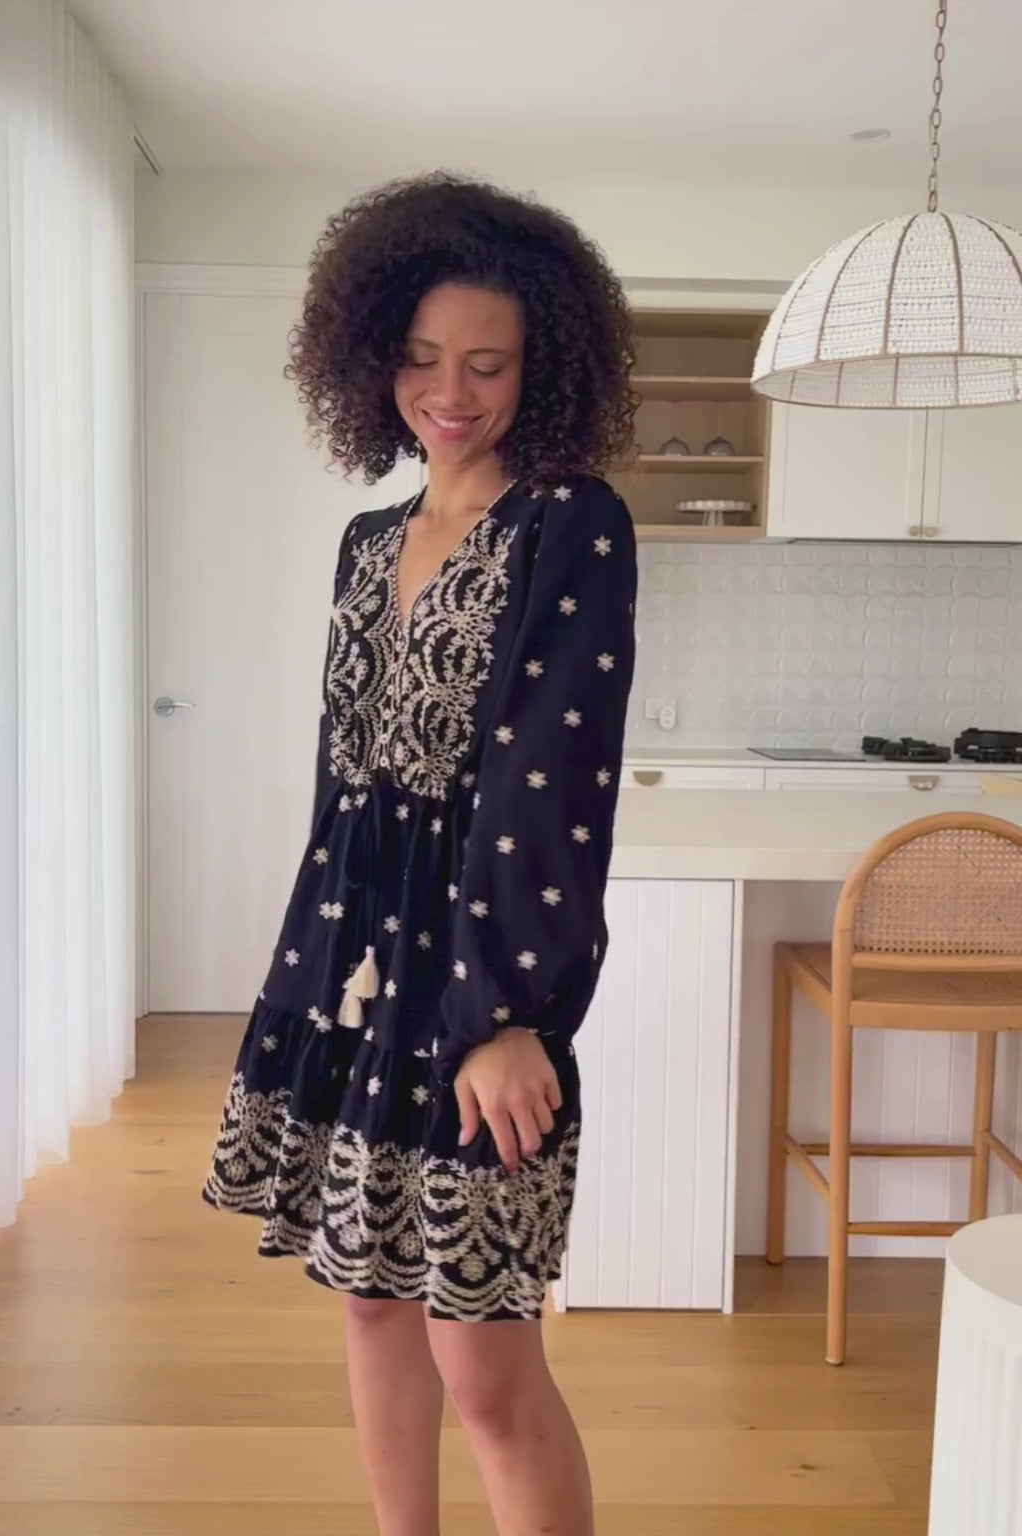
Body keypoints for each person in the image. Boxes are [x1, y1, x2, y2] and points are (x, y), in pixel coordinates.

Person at [203, 172, 637, 1536]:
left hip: (475, 986)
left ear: (541, 366)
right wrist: (307, 976)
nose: (450, 392)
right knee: (371, 1303)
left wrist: (506, 1015)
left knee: (487, 1368)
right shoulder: (367, 542)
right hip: (353, 976)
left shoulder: (569, 522)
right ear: (370, 354)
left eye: (488, 364)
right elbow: (345, 789)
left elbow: (552, 785)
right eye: (421, 356)